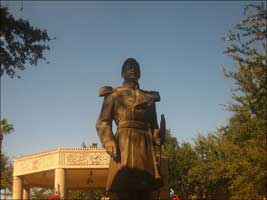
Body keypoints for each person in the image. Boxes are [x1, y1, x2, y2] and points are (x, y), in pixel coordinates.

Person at [96, 58, 162, 200]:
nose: (132, 69)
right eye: (128, 67)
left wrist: (158, 135)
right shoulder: (113, 95)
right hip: (123, 145)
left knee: (145, 189)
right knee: (123, 188)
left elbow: (154, 125)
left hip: (144, 146)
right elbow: (103, 122)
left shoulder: (149, 98)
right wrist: (108, 141)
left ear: (140, 73)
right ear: (122, 73)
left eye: (135, 67)